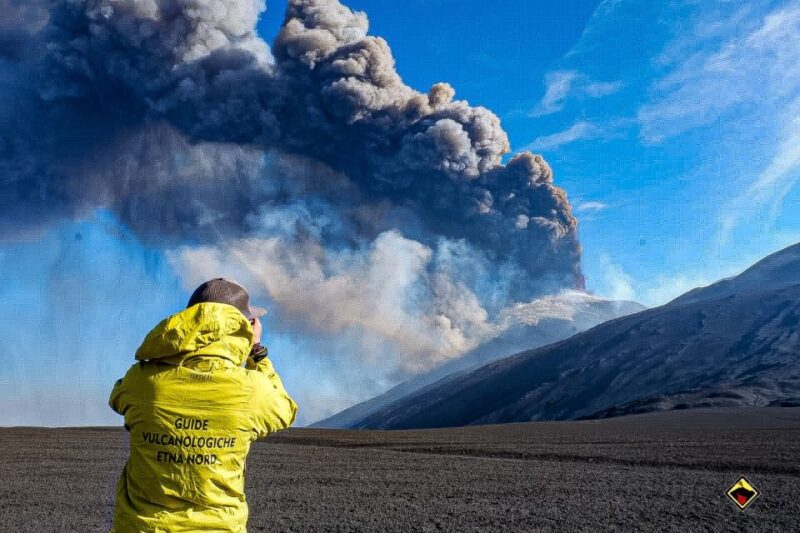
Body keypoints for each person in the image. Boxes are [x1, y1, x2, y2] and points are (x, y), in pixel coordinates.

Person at [108, 278, 298, 533]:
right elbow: (285, 410)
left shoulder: (141, 380)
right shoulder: (251, 390)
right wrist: (257, 352)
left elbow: (118, 398)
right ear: (244, 325)